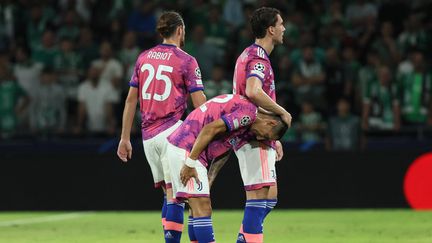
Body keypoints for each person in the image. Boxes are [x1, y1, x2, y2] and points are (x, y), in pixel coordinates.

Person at [116, 11, 206, 243]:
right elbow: (199, 105)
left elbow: (130, 101)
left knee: (169, 194)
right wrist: (210, 133)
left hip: (147, 137)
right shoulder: (186, 60)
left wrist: (125, 138)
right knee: (177, 196)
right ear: (179, 30)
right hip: (171, 132)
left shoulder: (143, 57)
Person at [167, 94, 288, 243]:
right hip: (186, 147)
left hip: (188, 148)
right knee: (202, 208)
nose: (259, 138)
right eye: (265, 134)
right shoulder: (248, 114)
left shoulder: (246, 122)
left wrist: (209, 179)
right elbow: (209, 129)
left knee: (197, 208)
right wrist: (190, 163)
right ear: (270, 123)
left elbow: (224, 149)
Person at [231, 7, 291, 242]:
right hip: (253, 135)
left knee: (270, 197)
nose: (284, 28)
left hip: (254, 133)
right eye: (281, 23)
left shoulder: (247, 54)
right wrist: (282, 112)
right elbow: (253, 91)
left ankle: (243, 239)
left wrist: (273, 138)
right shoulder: (258, 58)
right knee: (258, 199)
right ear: (271, 29)